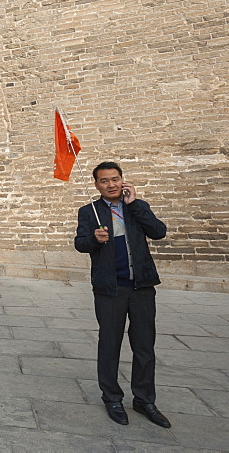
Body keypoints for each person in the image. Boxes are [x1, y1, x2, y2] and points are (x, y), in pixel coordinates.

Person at [74, 162, 170, 429]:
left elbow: (158, 232)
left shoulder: (137, 206)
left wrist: (135, 204)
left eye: (115, 179)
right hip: (110, 289)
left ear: (123, 181)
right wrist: (94, 239)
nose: (111, 184)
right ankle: (112, 397)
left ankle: (144, 399)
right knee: (109, 344)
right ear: (96, 185)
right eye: (104, 181)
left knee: (144, 345)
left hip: (141, 287)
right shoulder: (89, 211)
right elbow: (80, 243)